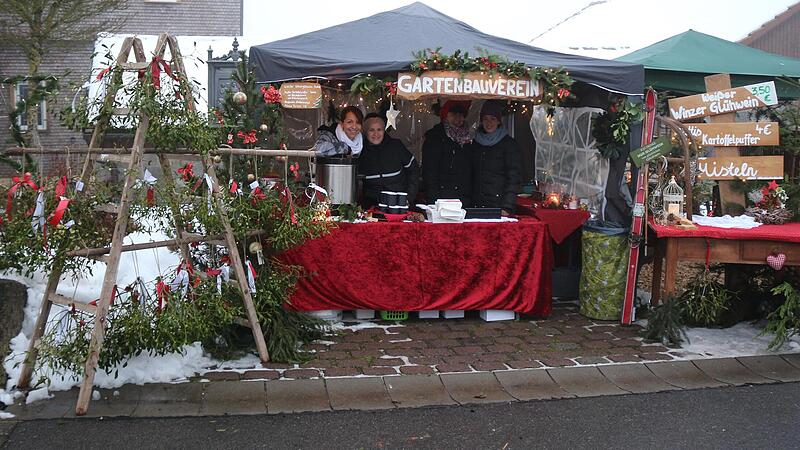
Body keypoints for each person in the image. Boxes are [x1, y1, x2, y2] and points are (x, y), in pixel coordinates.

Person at [358, 113, 419, 209]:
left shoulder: (396, 146)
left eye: (379, 130)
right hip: (371, 206)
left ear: (384, 131)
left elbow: (413, 170)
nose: (376, 134)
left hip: (398, 205)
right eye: (371, 130)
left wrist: (408, 197)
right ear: (366, 132)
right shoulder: (360, 150)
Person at [470, 100, 521, 215]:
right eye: (485, 119)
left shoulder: (509, 144)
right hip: (476, 203)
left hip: (499, 205)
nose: (489, 123)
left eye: (493, 119)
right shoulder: (475, 143)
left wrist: (507, 206)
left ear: (499, 121)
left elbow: (514, 178)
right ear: (481, 121)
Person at [422, 100, 472, 206]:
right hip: (441, 198)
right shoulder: (435, 137)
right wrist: (433, 201)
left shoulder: (467, 138)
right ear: (446, 116)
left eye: (461, 115)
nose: (457, 118)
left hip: (463, 198)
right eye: (454, 115)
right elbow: (429, 171)